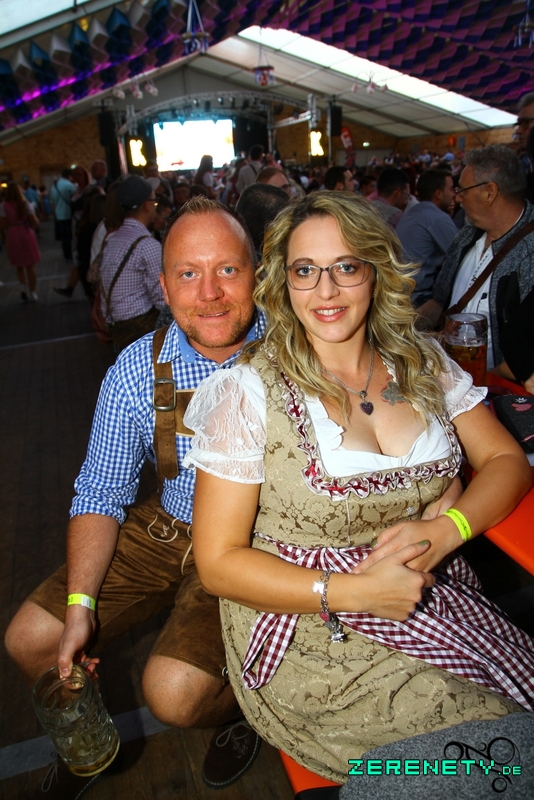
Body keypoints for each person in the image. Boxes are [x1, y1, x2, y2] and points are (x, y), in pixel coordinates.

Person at [182, 191, 534, 789]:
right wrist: (355, 591)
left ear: (376, 271)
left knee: (511, 735)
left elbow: (506, 460)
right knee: (497, 755)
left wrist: (446, 530)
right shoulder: (247, 391)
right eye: (305, 271)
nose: (325, 291)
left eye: (345, 267)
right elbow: (217, 564)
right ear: (283, 282)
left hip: (432, 597)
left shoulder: (422, 361)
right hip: (314, 631)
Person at [4, 196, 266, 792]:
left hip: (254, 543)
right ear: (163, 287)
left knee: (175, 694)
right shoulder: (135, 370)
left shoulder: (299, 351)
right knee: (30, 638)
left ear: (257, 273)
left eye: (228, 269)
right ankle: (87, 739)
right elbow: (100, 490)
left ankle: (246, 710)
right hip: (169, 526)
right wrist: (80, 607)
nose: (210, 293)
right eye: (188, 274)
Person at [417, 145, 534, 389]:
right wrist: (399, 329)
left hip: (499, 390)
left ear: (490, 192)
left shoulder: (530, 249)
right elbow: (438, 302)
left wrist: (482, 380)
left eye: (463, 190)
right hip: (448, 380)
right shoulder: (466, 235)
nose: (457, 198)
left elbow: (527, 346)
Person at [99, 175, 164, 350]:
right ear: (146, 206)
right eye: (154, 201)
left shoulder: (113, 238)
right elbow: (162, 299)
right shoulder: (147, 245)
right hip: (140, 328)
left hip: (115, 325)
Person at [396, 169, 458, 307]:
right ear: (438, 194)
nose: (454, 194)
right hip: (417, 299)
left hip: (401, 294)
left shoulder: (412, 213)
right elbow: (461, 255)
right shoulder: (437, 218)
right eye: (451, 189)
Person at [0, 181, 40, 301]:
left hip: (13, 234)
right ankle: (33, 292)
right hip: (26, 232)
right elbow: (34, 222)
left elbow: (2, 224)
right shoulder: (25, 204)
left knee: (19, 265)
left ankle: (23, 289)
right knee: (30, 265)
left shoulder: (3, 206)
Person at [49, 168, 75, 262]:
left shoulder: (54, 186)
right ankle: (71, 254)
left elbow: (52, 202)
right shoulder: (70, 185)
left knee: (64, 237)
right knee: (70, 236)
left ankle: (66, 254)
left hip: (59, 215)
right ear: (70, 176)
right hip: (69, 213)